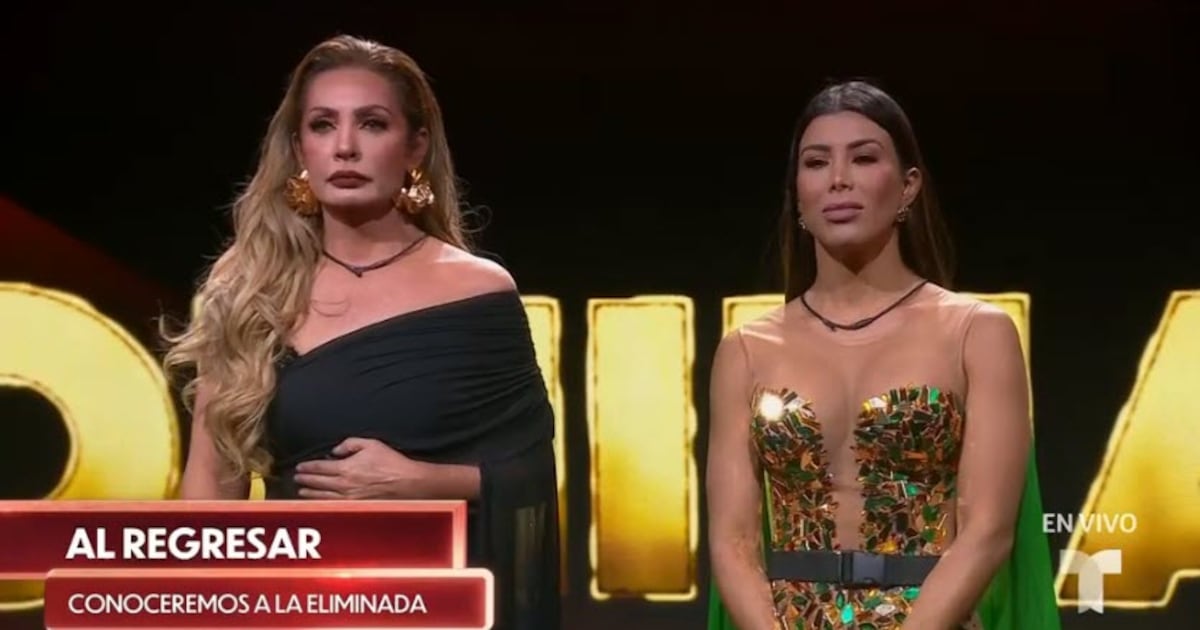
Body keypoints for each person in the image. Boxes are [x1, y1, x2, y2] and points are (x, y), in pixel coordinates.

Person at [162, 35, 560, 630]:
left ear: (415, 146)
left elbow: (530, 475)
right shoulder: (248, 285)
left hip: (434, 606)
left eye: (372, 124)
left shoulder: (476, 292)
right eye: (323, 125)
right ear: (299, 147)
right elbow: (211, 482)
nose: (344, 146)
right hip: (296, 605)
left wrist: (421, 483)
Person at [704, 81, 1059, 629]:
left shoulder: (976, 333)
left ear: (908, 186)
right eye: (816, 163)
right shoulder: (746, 351)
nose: (838, 179)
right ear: (798, 193)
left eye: (864, 158)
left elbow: (987, 531)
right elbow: (732, 542)